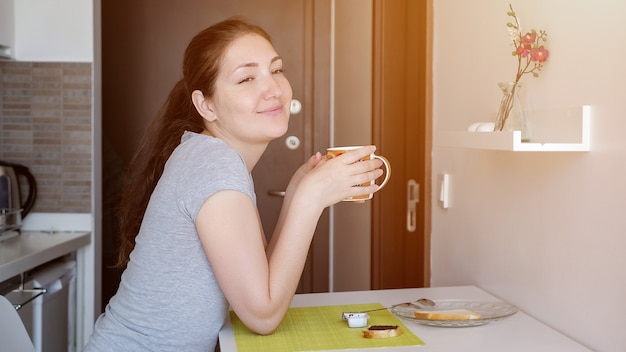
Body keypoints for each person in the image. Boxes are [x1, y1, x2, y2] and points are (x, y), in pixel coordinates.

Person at [84, 18, 384, 352]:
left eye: (277, 70)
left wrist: (298, 190)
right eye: (246, 78)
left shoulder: (209, 155)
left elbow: (258, 282)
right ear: (205, 105)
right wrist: (310, 201)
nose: (273, 89)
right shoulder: (214, 166)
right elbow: (263, 315)